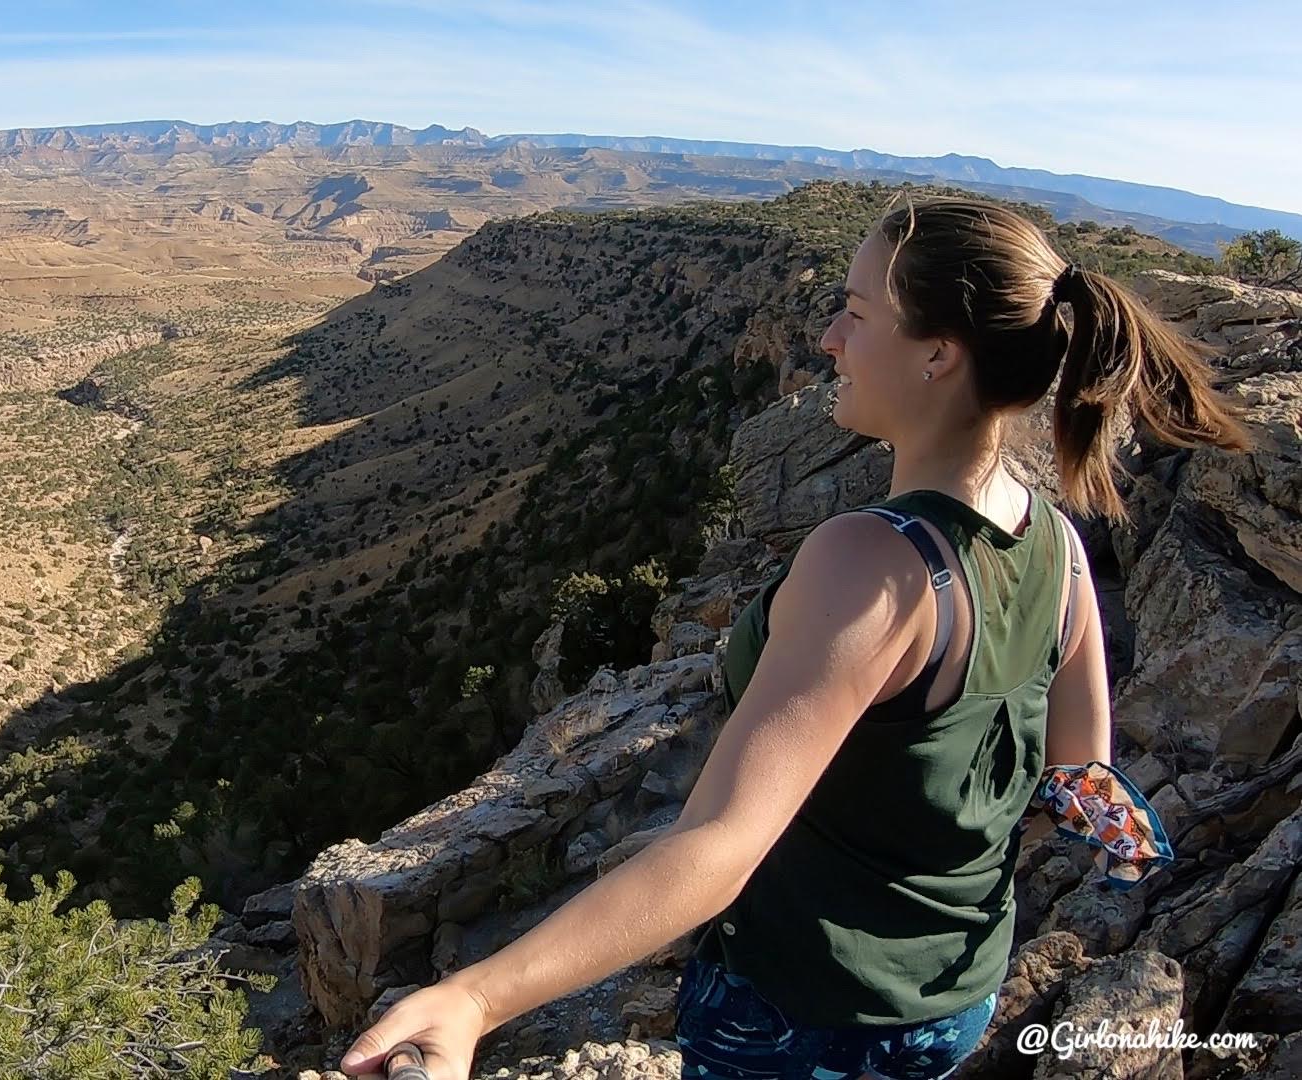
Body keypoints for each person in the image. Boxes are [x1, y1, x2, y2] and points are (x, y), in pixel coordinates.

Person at [337, 194, 1254, 1080]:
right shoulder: (1055, 539)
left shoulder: (873, 561)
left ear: (938, 352)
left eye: (857, 313)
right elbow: (1079, 769)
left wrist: (477, 999)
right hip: (956, 995)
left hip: (803, 1016)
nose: (828, 338)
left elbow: (722, 843)